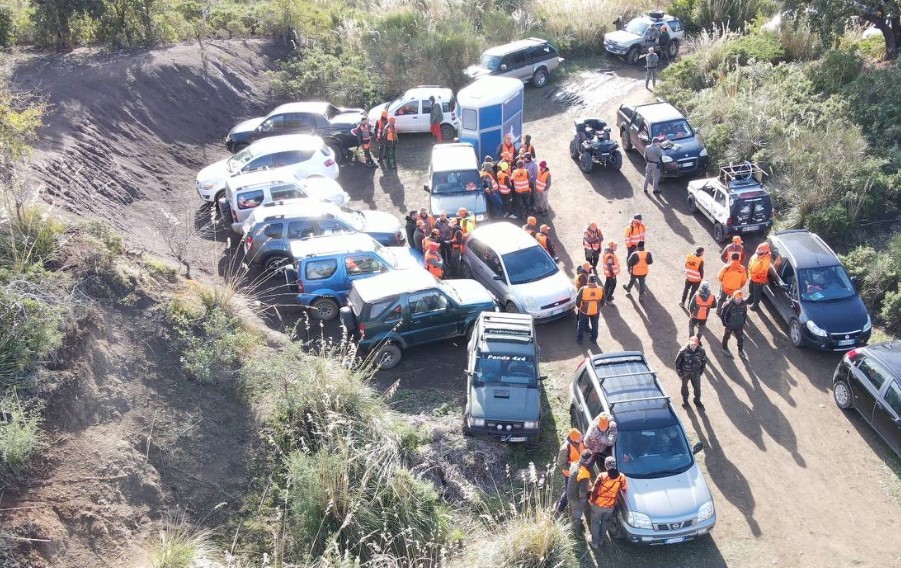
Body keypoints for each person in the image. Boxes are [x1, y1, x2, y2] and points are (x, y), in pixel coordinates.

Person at [588, 456, 628, 549]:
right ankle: (601, 540)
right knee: (605, 521)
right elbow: (624, 488)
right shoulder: (621, 477)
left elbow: (595, 490)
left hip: (598, 505)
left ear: (606, 466)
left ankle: (595, 542)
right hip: (610, 506)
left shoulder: (602, 476)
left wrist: (592, 500)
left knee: (595, 522)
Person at [556, 428, 586, 513]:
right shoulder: (565, 448)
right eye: (579, 438)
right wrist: (574, 467)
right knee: (568, 491)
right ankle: (560, 508)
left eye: (581, 437)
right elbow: (561, 464)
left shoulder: (581, 442)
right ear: (573, 439)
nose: (581, 439)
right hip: (569, 474)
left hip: (580, 471)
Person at [674, 335, 708, 410]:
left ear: (698, 343)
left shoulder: (701, 350)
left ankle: (697, 401)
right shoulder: (683, 351)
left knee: (697, 388)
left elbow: (704, 360)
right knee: (684, 387)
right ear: (689, 342)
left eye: (695, 344)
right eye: (692, 344)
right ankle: (685, 401)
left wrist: (701, 371)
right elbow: (677, 362)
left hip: (696, 373)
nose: (693, 346)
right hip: (685, 373)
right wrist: (680, 374)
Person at [566, 450, 593, 534]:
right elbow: (582, 491)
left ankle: (572, 521)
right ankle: (576, 532)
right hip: (576, 498)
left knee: (571, 509)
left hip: (569, 491)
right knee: (577, 513)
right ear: (588, 460)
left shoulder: (574, 464)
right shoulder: (584, 473)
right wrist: (584, 499)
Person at [576, 274, 604, 344]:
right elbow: (603, 300)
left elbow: (578, 301)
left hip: (584, 311)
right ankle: (593, 339)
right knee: (595, 325)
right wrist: (599, 307)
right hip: (595, 311)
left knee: (581, 324)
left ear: (588, 281)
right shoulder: (601, 289)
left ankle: (580, 339)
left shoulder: (583, 289)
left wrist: (579, 307)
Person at [721, 290, 749, 358]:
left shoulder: (743, 304)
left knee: (740, 339)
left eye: (740, 298)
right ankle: (724, 348)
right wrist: (726, 324)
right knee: (726, 337)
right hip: (730, 326)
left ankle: (740, 351)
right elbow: (723, 315)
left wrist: (743, 322)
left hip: (739, 325)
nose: (739, 300)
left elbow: (745, 314)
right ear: (733, 297)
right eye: (737, 298)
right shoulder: (728, 304)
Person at [747, 243, 771, 310]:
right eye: (758, 252)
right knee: (751, 288)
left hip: (758, 279)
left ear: (766, 252)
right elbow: (751, 261)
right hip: (752, 276)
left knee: (757, 292)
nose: (758, 254)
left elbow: (763, 271)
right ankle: (750, 298)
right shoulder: (758, 253)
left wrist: (755, 276)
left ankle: (755, 304)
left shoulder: (766, 260)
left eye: (760, 253)